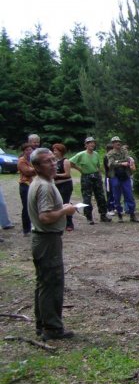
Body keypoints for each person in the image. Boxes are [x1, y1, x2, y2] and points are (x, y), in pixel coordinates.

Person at [27, 148, 77, 341]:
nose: (53, 164)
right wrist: (65, 211)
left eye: (53, 160)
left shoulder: (43, 182)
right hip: (47, 240)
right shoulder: (44, 186)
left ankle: (43, 324)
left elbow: (47, 211)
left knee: (44, 282)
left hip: (44, 239)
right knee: (52, 283)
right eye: (47, 161)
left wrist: (62, 207)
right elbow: (46, 217)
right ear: (37, 166)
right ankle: (52, 328)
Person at [69, 137, 111, 224]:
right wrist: (79, 169)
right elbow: (70, 162)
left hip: (96, 176)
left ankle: (103, 215)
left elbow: (98, 166)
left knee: (101, 196)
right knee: (87, 198)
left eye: (93, 143)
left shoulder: (96, 154)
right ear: (86, 145)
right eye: (89, 143)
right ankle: (89, 217)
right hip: (86, 177)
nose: (92, 144)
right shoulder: (81, 154)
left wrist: (99, 174)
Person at [106, 136, 139, 223]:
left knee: (129, 195)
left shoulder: (124, 151)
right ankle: (120, 215)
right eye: (116, 142)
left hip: (125, 176)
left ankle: (132, 215)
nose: (118, 143)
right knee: (117, 197)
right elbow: (110, 163)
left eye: (119, 141)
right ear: (113, 144)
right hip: (115, 177)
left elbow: (128, 159)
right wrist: (121, 163)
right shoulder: (110, 153)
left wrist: (119, 162)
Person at [52, 144, 74, 232]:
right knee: (56, 204)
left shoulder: (65, 161)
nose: (54, 152)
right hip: (56, 185)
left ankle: (69, 224)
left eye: (56, 150)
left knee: (65, 203)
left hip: (65, 184)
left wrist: (56, 175)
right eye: (54, 150)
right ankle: (59, 223)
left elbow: (67, 174)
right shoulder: (54, 161)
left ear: (61, 151)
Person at [18, 143, 36, 236]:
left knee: (33, 206)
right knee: (26, 207)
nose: (29, 151)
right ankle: (26, 229)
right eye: (27, 150)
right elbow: (27, 172)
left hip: (33, 184)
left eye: (30, 150)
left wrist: (34, 169)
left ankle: (33, 226)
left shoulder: (32, 160)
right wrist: (36, 169)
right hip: (25, 185)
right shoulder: (22, 161)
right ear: (23, 151)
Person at [103, 142, 116, 215]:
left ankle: (114, 207)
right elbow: (110, 166)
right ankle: (109, 208)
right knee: (109, 193)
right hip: (109, 177)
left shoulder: (113, 156)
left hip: (114, 177)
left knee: (115, 193)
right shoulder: (106, 157)